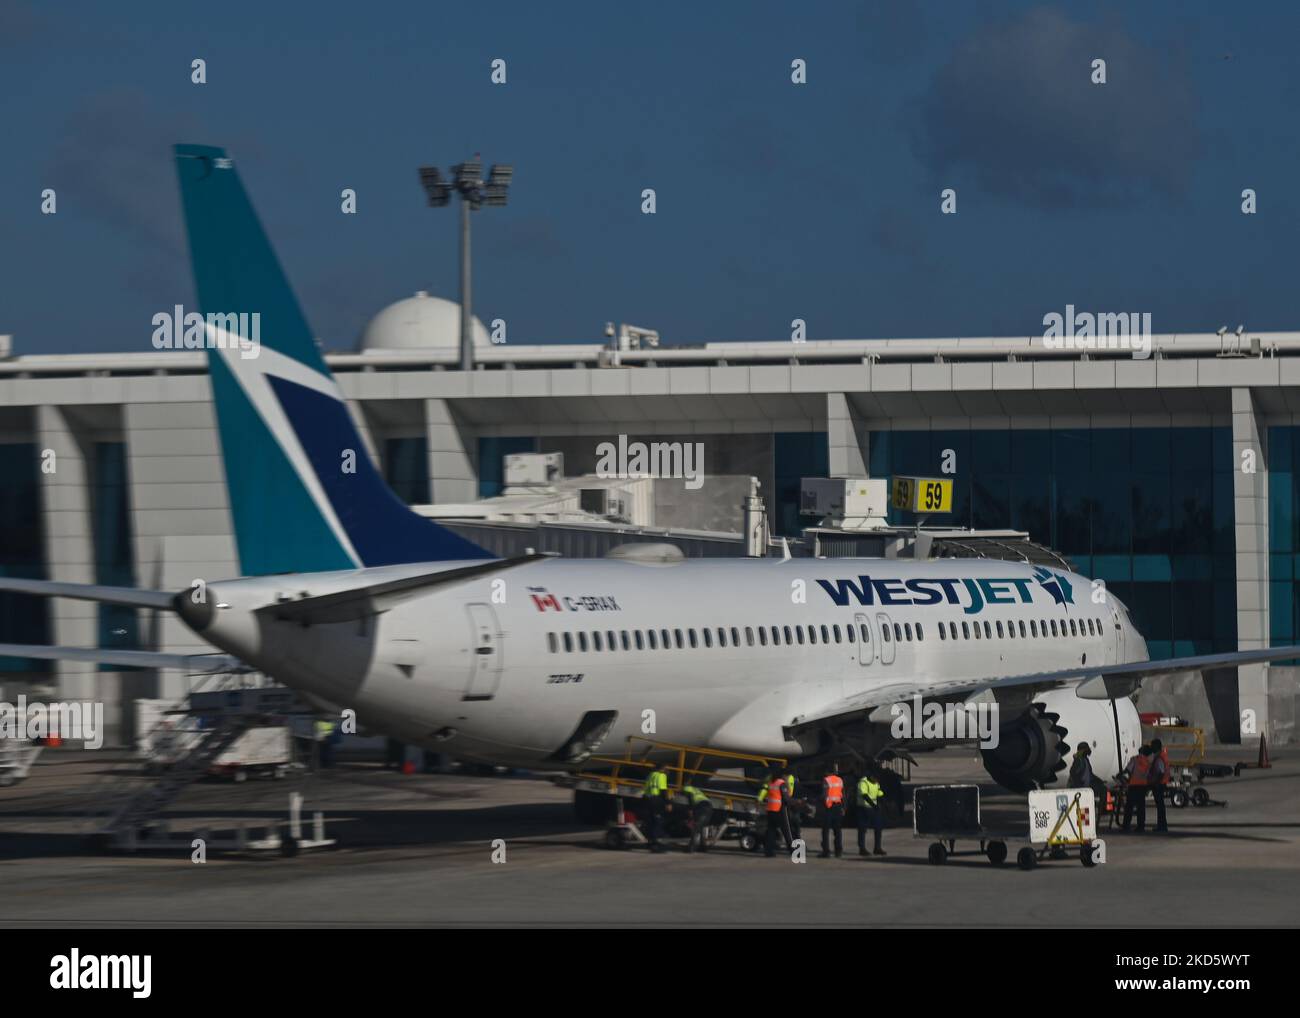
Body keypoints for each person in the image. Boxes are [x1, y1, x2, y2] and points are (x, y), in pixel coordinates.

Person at [1120, 745, 1153, 832]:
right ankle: (1141, 826)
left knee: (1129, 807)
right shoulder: (1148, 762)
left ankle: (1126, 825)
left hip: (1133, 786)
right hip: (1143, 787)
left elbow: (1128, 770)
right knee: (1141, 808)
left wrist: (1121, 775)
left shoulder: (1135, 759)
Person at [759, 768, 791, 857]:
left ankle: (769, 852)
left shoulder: (771, 783)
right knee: (787, 831)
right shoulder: (781, 783)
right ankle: (792, 850)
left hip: (770, 809)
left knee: (771, 832)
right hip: (779, 810)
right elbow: (785, 798)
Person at [856, 768, 886, 856]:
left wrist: (885, 803)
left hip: (873, 809)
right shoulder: (863, 782)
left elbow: (879, 793)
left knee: (878, 828)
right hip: (863, 808)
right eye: (875, 779)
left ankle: (877, 848)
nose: (876, 781)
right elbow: (864, 795)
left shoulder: (876, 782)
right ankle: (862, 849)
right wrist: (874, 805)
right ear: (871, 776)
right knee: (862, 829)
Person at [818, 763, 845, 858]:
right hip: (838, 805)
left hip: (829, 807)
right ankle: (838, 851)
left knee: (825, 830)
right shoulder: (840, 780)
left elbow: (824, 795)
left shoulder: (826, 780)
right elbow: (842, 794)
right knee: (837, 830)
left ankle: (826, 851)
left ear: (826, 772)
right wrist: (843, 807)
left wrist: (818, 801)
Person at [642, 764, 669, 852]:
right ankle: (656, 844)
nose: (667, 770)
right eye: (665, 769)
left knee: (650, 821)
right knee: (658, 821)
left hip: (647, 799)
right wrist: (667, 803)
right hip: (656, 800)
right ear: (661, 769)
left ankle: (650, 842)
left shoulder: (650, 775)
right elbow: (663, 790)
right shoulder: (661, 775)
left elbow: (646, 788)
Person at [682, 783, 714, 853]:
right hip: (709, 806)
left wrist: (690, 810)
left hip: (701, 807)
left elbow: (690, 797)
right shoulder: (697, 790)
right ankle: (703, 847)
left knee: (695, 828)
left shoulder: (687, 789)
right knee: (701, 827)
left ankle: (691, 848)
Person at [1149, 738, 1170, 833]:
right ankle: (1162, 826)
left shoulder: (1159, 758)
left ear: (1156, 747)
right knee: (1161, 807)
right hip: (1162, 783)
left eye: (1152, 746)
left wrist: (1156, 782)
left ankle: (1162, 826)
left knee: (1160, 807)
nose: (1151, 748)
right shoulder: (1162, 756)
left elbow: (1161, 772)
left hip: (1159, 784)